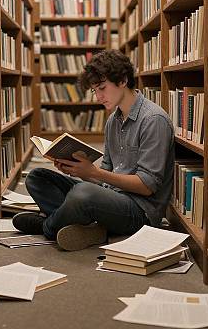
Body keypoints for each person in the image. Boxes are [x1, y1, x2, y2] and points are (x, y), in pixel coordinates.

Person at [12, 50, 175, 251]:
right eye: (94, 91)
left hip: (140, 211)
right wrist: (77, 169)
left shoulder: (153, 120)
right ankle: (85, 225)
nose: (98, 97)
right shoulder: (112, 121)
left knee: (82, 193)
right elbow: (106, 174)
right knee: (37, 177)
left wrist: (94, 173)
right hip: (111, 196)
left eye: (102, 88)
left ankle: (48, 226)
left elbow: (147, 186)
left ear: (123, 80)